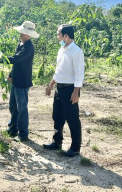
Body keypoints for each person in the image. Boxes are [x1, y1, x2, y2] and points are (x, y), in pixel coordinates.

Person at [0, 21, 39, 142]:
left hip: (22, 82)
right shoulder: (21, 43)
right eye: (22, 31)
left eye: (24, 32)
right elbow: (17, 64)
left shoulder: (28, 47)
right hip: (16, 80)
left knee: (22, 108)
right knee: (12, 106)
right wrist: (11, 75)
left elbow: (15, 59)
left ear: (29, 35)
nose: (21, 34)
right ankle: (12, 128)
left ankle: (23, 133)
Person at [43, 24, 85, 157]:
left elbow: (79, 73)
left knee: (72, 119)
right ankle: (57, 142)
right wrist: (51, 84)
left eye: (58, 35)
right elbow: (59, 70)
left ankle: (75, 147)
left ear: (66, 36)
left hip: (70, 89)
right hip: (59, 88)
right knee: (57, 116)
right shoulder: (62, 49)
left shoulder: (76, 51)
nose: (57, 37)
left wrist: (75, 92)